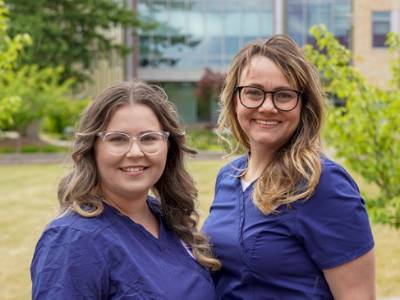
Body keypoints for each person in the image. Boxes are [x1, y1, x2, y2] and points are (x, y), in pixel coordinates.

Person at [203, 35, 375, 299]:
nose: (267, 107)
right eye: (253, 92)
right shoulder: (228, 178)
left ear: (304, 106)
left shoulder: (323, 183)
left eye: (284, 95)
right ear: (235, 99)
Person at [31, 81, 220, 299]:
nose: (135, 152)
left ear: (169, 147)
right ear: (93, 148)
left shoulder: (169, 221)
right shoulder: (72, 241)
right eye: (118, 139)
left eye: (149, 138)